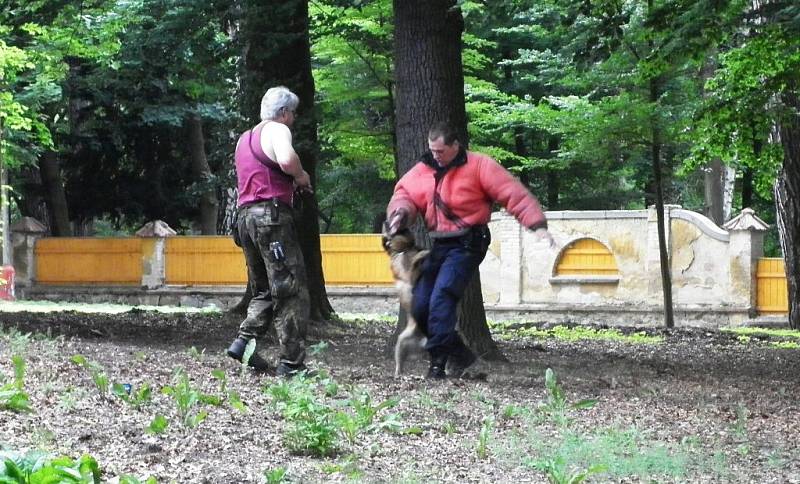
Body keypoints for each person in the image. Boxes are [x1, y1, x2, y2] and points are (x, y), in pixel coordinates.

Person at [386, 122, 555, 379]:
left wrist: (537, 225)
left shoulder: (479, 166)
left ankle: (437, 362)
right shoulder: (423, 170)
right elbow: (404, 195)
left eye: (441, 151)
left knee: (442, 297)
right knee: (420, 304)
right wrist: (399, 213)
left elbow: (512, 193)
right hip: (442, 244)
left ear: (455, 146)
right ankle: (460, 354)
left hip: (469, 242)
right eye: (432, 150)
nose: (435, 156)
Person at [227, 86, 312, 377]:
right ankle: (292, 365)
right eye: (293, 114)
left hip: (245, 220)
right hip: (271, 218)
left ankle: (244, 342)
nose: (294, 119)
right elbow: (287, 161)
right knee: (290, 289)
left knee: (263, 288)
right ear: (283, 113)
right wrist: (301, 177)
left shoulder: (244, 139)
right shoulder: (277, 130)